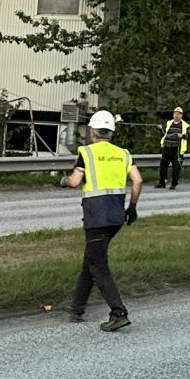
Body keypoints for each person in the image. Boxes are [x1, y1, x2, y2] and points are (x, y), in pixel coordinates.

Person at [62, 109, 141, 331]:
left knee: (97, 264)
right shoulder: (123, 154)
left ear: (92, 132)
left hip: (97, 216)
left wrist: (63, 181)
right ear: (111, 133)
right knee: (91, 258)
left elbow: (75, 181)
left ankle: (118, 313)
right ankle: (77, 308)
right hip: (116, 216)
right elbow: (137, 180)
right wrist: (132, 207)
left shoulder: (86, 152)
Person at [158, 107, 190, 191]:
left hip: (177, 149)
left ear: (181, 115)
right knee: (163, 166)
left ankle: (173, 183)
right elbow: (164, 133)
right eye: (175, 113)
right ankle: (162, 182)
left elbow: (189, 136)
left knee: (176, 168)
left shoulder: (185, 125)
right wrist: (161, 129)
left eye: (178, 114)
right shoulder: (169, 123)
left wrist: (182, 136)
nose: (176, 115)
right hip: (167, 147)